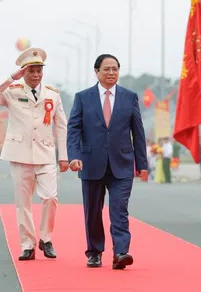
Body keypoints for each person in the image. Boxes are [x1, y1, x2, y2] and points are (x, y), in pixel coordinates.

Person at [0, 47, 69, 260]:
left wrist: (64, 156)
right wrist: (11, 77)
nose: (36, 74)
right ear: (23, 71)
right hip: (20, 154)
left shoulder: (52, 95)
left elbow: (61, 126)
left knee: (50, 197)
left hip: (46, 153)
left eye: (39, 70)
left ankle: (46, 239)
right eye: (31, 70)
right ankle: (27, 245)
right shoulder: (12, 91)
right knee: (23, 203)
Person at [67, 54, 148, 270]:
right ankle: (94, 251)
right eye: (106, 69)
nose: (111, 73)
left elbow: (138, 132)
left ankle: (121, 252)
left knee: (119, 209)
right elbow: (73, 128)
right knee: (93, 211)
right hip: (91, 163)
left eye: (115, 69)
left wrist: (142, 164)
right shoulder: (83, 97)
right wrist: (73, 156)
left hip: (122, 163)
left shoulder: (129, 97)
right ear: (96, 72)